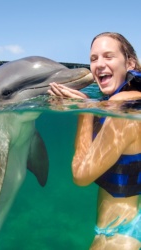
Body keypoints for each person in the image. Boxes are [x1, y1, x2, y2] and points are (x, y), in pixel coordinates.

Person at [48, 32, 141, 249]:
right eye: (93, 59)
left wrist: (85, 111)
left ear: (129, 63)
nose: (99, 64)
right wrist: (90, 107)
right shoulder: (120, 101)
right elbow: (87, 152)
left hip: (120, 236)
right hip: (118, 230)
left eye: (108, 56)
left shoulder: (123, 108)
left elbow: (81, 175)